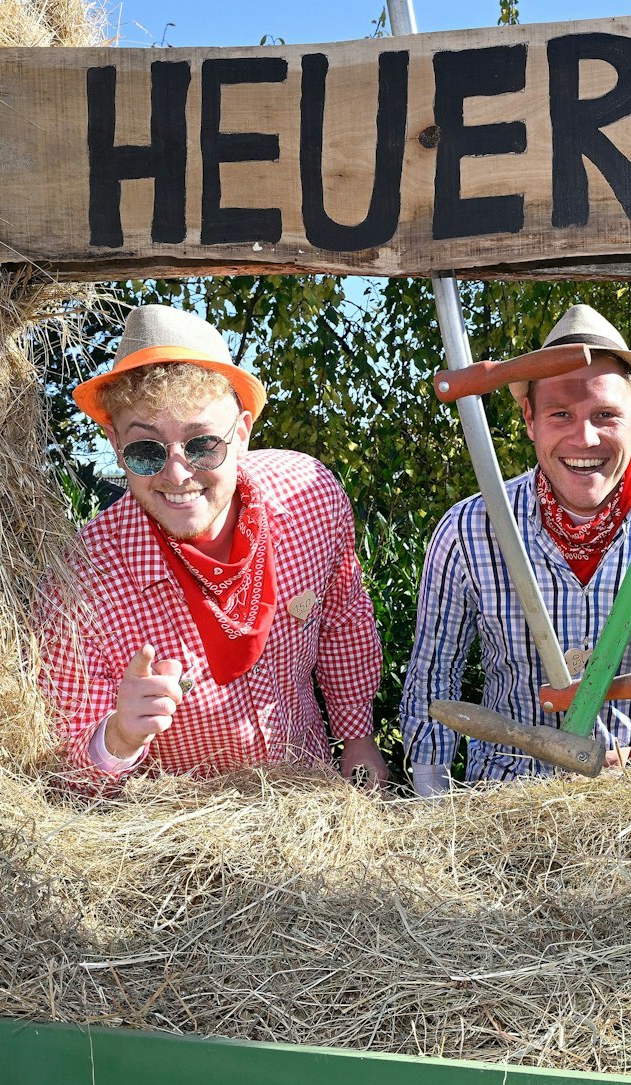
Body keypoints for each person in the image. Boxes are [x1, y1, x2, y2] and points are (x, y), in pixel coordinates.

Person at [37, 305, 386, 790]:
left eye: (202, 445)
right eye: (146, 451)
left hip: (310, 793)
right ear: (116, 444)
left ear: (240, 433)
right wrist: (117, 738)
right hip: (181, 825)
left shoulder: (311, 498)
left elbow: (342, 620)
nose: (177, 474)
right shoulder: (79, 585)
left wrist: (357, 737)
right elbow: (64, 769)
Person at [400, 305, 631, 794]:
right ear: (529, 418)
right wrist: (432, 796)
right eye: (561, 413)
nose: (584, 438)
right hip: (504, 805)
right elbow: (434, 674)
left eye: (606, 415)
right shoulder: (469, 529)